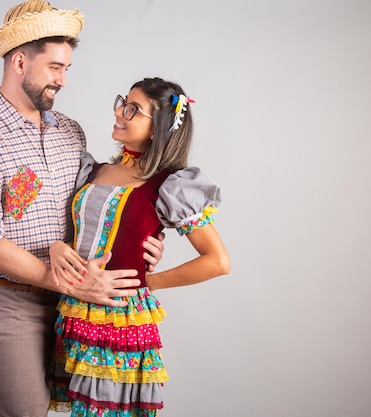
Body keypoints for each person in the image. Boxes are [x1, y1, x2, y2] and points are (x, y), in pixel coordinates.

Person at [0, 2, 165, 416]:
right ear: (21, 62)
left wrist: (144, 238)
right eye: (55, 67)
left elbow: (93, 207)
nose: (63, 80)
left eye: (67, 69)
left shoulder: (69, 130)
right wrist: (71, 284)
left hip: (73, 304)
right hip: (8, 302)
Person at [47, 77, 231, 416]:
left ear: (156, 128)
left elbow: (217, 261)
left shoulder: (170, 184)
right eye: (123, 103)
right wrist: (58, 248)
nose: (120, 112)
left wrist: (146, 283)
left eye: (134, 110)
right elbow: (73, 232)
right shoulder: (94, 170)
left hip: (120, 323)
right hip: (72, 311)